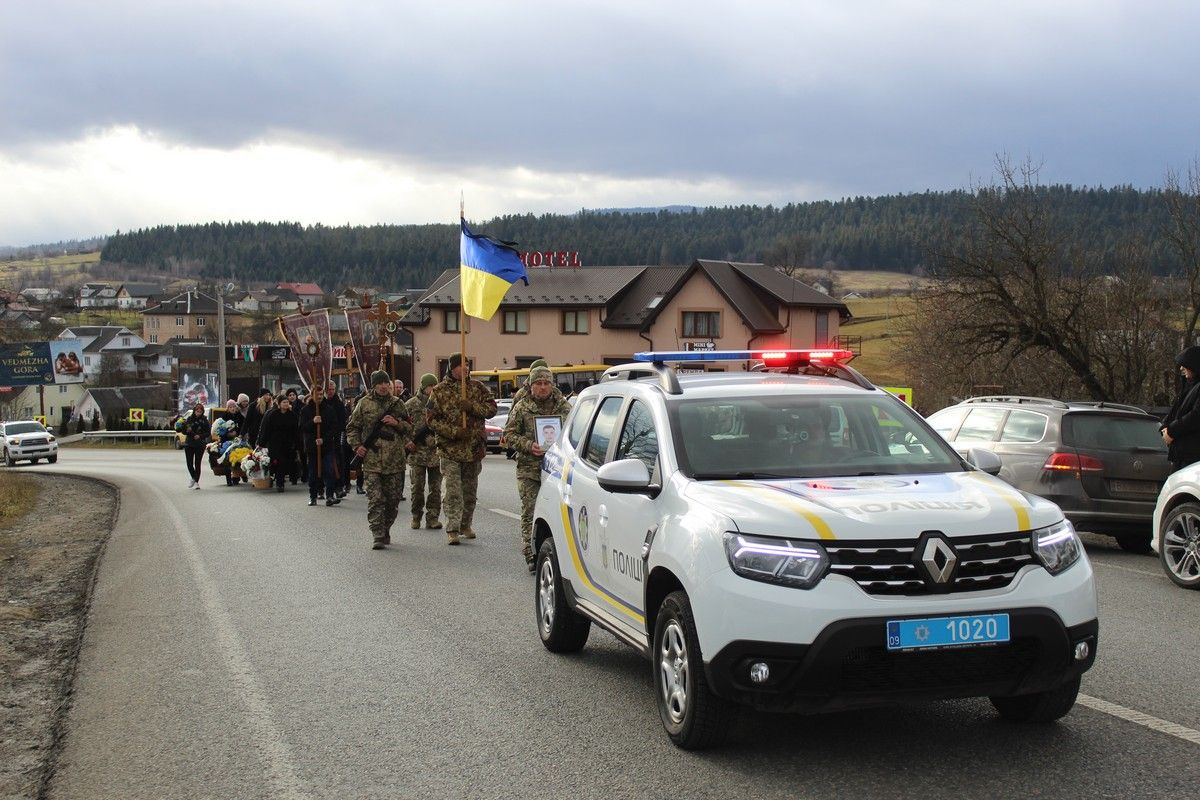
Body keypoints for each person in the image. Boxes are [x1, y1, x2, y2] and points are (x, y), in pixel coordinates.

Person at [503, 365, 570, 569]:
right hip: (529, 469)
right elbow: (509, 435)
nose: (542, 387)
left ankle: (558, 552)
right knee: (530, 510)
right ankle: (531, 553)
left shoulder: (564, 407)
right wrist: (527, 445)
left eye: (546, 383)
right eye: (538, 383)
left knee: (558, 512)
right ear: (531, 386)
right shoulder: (522, 407)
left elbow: (575, 433)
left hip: (557, 471)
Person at [427, 352, 496, 545]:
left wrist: (472, 407)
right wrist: (454, 432)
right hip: (450, 450)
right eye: (461, 365)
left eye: (467, 365)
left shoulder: (477, 388)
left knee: (470, 491)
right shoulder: (439, 391)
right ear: (452, 368)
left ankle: (466, 524)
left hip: (473, 449)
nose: (465, 368)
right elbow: (431, 419)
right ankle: (453, 528)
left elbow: (492, 409)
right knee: (453, 491)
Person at [346, 370, 412, 549]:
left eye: (386, 383)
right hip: (372, 461)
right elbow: (352, 428)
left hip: (395, 461)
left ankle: (386, 528)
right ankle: (377, 533)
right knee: (375, 499)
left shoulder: (398, 404)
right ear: (374, 385)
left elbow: (410, 427)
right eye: (380, 383)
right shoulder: (364, 404)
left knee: (392, 500)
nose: (384, 386)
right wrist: (356, 445)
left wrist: (397, 423)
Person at [405, 373, 442, 530]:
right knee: (417, 488)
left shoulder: (439, 404)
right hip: (417, 453)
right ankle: (416, 516)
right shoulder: (411, 405)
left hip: (435, 453)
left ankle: (432, 517)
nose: (432, 389)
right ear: (423, 386)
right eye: (429, 386)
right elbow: (402, 426)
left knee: (436, 489)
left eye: (434, 386)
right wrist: (408, 441)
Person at [300, 383, 345, 507]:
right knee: (313, 472)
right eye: (317, 394)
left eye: (321, 394)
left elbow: (334, 428)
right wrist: (313, 422)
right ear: (312, 394)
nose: (319, 396)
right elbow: (302, 427)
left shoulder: (329, 409)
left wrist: (324, 439)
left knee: (329, 470)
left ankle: (330, 496)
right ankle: (313, 496)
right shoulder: (305, 410)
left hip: (326, 446)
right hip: (312, 446)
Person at [1162, 346, 1200, 471]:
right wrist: (1165, 427)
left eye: (1184, 364)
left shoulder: (1196, 387)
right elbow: (1177, 411)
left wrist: (1172, 430)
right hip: (1183, 454)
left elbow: (1196, 416)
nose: (1181, 368)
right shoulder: (1189, 386)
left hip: (1192, 457)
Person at [258, 392, 299, 492]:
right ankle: (277, 481)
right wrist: (261, 443)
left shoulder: (292, 415)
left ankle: (280, 482)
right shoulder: (273, 415)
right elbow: (267, 430)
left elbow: (296, 430)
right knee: (277, 462)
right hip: (275, 443)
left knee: (284, 463)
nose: (286, 404)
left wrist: (297, 444)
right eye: (284, 402)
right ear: (279, 404)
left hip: (287, 444)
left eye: (287, 402)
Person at [176, 402, 211, 489]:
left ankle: (196, 482)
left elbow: (208, 433)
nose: (198, 413)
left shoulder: (204, 420)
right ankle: (193, 477)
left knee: (197, 463)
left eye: (200, 411)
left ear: (202, 412)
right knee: (189, 463)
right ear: (194, 411)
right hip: (189, 444)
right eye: (197, 411)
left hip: (200, 444)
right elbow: (183, 431)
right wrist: (187, 431)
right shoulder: (189, 419)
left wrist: (200, 436)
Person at [219, 399, 247, 486]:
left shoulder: (239, 416)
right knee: (228, 459)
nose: (232, 408)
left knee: (238, 458)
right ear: (227, 408)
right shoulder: (224, 417)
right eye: (230, 407)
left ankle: (238, 476)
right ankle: (229, 479)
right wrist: (228, 434)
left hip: (238, 439)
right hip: (227, 440)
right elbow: (220, 430)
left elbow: (244, 426)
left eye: (234, 406)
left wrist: (239, 434)